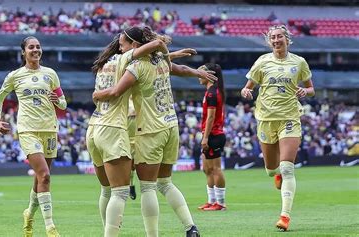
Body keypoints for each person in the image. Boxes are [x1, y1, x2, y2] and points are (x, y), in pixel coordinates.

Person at [93, 26, 217, 237]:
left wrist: (97, 94)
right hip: (171, 125)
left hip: (148, 129)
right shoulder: (160, 60)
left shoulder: (135, 67)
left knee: (145, 188)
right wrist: (195, 70)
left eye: (123, 45)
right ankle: (190, 227)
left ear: (135, 45)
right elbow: (179, 68)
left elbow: (115, 91)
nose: (120, 49)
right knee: (165, 183)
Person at [241, 25, 315, 231]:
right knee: (271, 169)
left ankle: (285, 216)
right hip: (265, 119)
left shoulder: (299, 62)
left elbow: (311, 89)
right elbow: (247, 88)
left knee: (287, 168)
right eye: (272, 37)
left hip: (290, 118)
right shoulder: (262, 61)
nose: (276, 40)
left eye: (279, 36)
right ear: (269, 41)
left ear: (287, 39)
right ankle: (276, 175)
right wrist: (246, 93)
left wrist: (304, 90)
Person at [0, 36, 67, 237]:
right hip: (27, 130)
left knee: (40, 178)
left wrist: (58, 101)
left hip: (50, 129)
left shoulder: (50, 74)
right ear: (23, 52)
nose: (36, 50)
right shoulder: (15, 76)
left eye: (38, 47)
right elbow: (0, 96)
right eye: (31, 47)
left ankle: (29, 213)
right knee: (45, 175)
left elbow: (63, 102)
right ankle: (50, 228)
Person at [196, 63, 227, 211]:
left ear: (209, 75)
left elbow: (211, 117)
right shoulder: (210, 91)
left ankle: (220, 203)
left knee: (215, 169)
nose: (198, 75)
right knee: (207, 170)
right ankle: (211, 201)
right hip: (210, 134)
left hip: (214, 135)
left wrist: (205, 137)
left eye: (200, 73)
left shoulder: (212, 93)